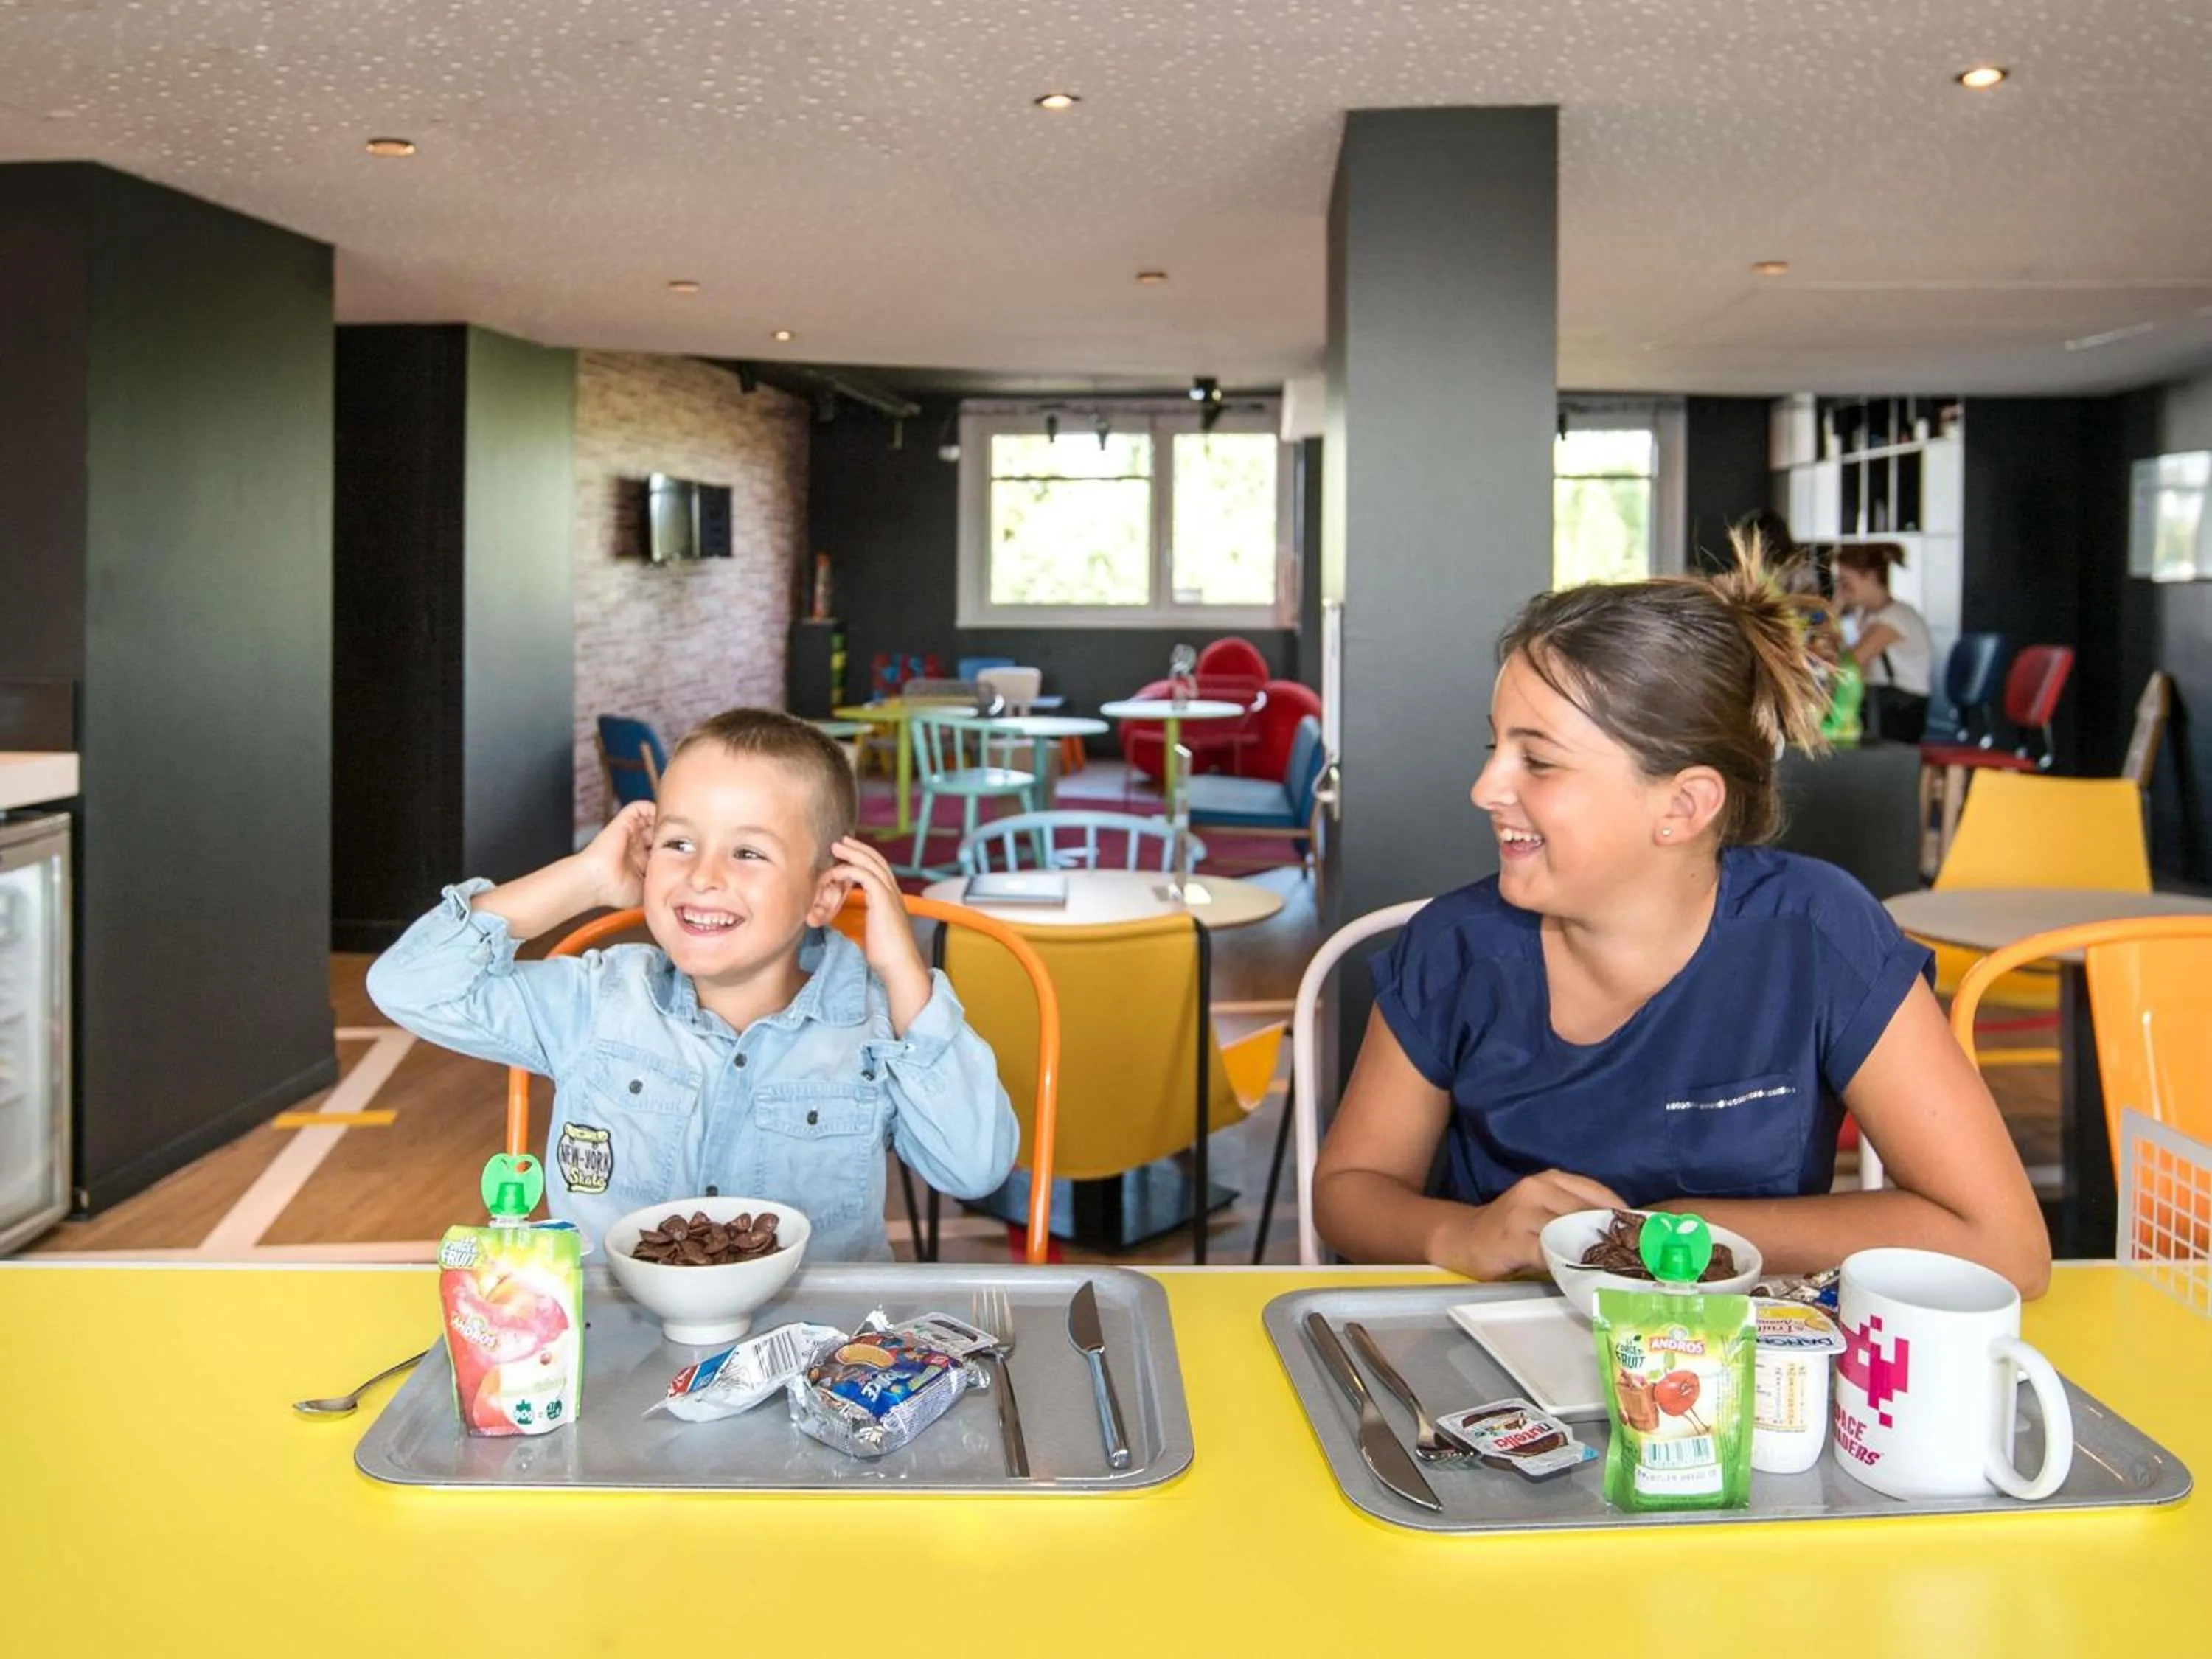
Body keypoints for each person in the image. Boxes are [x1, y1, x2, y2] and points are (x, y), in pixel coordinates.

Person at [1311, 532, 2050, 1295]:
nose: (1486, 787)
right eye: (1495, 746)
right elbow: (1350, 1190)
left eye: (1537, 760)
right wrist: (1457, 1233)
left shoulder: (1820, 933)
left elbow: (2006, 1248)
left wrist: (1665, 1233)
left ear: (1684, 805)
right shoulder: (1455, 949)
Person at [367, 709, 1018, 1260]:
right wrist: (584, 880)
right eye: (679, 844)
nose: (704, 876)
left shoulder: (875, 1028)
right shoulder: (596, 1003)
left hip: (819, 1361)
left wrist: (904, 974)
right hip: (618, 1354)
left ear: (824, 895)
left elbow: (975, 1166)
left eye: (748, 852)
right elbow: (409, 985)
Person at [1831, 542, 1932, 742]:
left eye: (1846, 582)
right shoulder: (1864, 614)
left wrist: (1834, 611)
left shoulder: (1896, 618)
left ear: (1870, 576)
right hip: (1878, 704)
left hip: (1900, 711)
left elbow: (1852, 662)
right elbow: (1837, 650)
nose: (1842, 590)